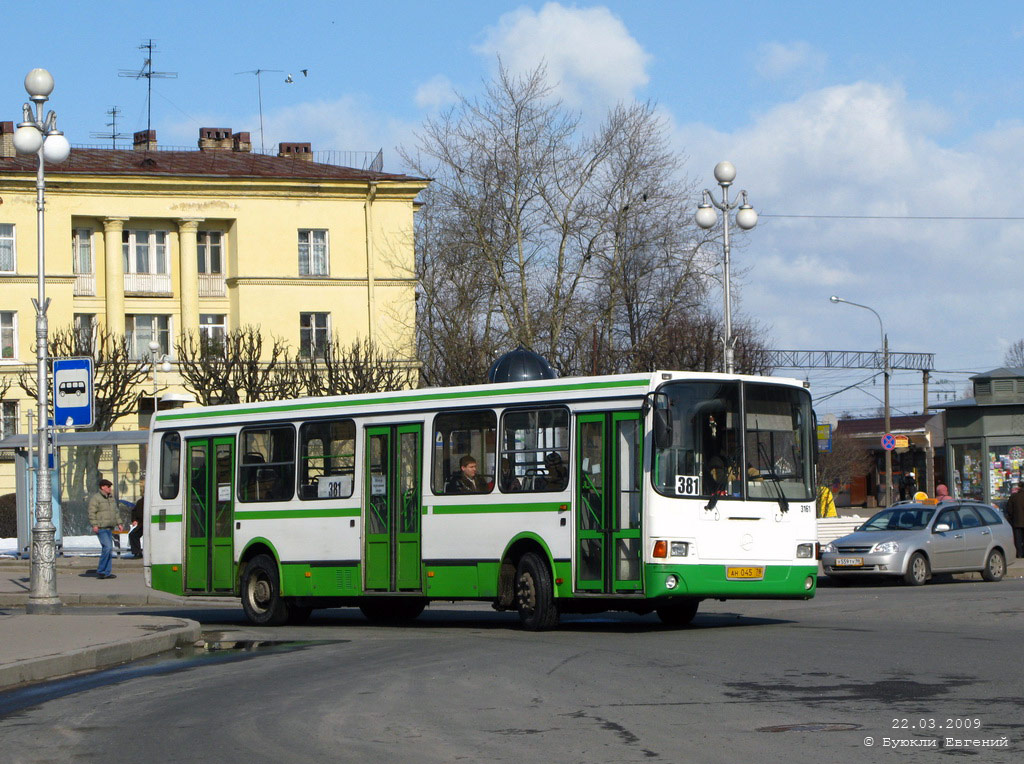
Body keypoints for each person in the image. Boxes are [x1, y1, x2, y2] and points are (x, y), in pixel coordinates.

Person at [87, 478, 119, 579]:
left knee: (108, 549)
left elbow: (115, 511)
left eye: (110, 487)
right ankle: (101, 570)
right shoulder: (96, 498)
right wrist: (94, 524)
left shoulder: (111, 498)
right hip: (101, 527)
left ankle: (106, 572)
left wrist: (120, 523)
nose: (110, 488)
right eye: (108, 486)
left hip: (109, 527)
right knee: (108, 547)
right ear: (103, 487)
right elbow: (91, 513)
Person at [1006, 480, 1024, 559]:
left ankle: (1019, 553)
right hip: (1018, 521)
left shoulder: (1014, 497)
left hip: (1017, 522)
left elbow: (1009, 510)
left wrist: (1011, 517)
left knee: (1018, 539)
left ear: (1019, 488)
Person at [128, 478, 145, 559]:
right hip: (142, 523)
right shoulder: (141, 502)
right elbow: (135, 511)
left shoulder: (142, 501)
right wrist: (135, 520)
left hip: (146, 523)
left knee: (133, 535)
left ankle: (137, 552)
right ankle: (137, 552)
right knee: (133, 535)